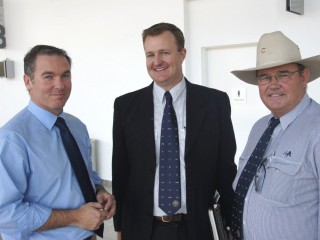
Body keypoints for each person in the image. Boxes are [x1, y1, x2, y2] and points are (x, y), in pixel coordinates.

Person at [112, 22, 237, 240]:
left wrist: (231, 226)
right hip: (143, 229)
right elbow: (121, 171)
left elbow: (225, 168)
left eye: (165, 52)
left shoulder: (214, 103)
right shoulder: (126, 106)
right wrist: (120, 226)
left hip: (198, 228)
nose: (157, 61)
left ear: (182, 54)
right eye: (150, 54)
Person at [0, 45, 116, 239]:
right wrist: (74, 218)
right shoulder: (12, 139)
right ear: (28, 81)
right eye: (48, 77)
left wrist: (99, 189)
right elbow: (6, 214)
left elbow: (83, 173)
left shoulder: (76, 126)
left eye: (65, 75)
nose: (60, 85)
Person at [230, 31, 320, 240]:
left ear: (303, 76)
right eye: (265, 77)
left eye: (283, 74)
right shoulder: (259, 128)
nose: (273, 84)